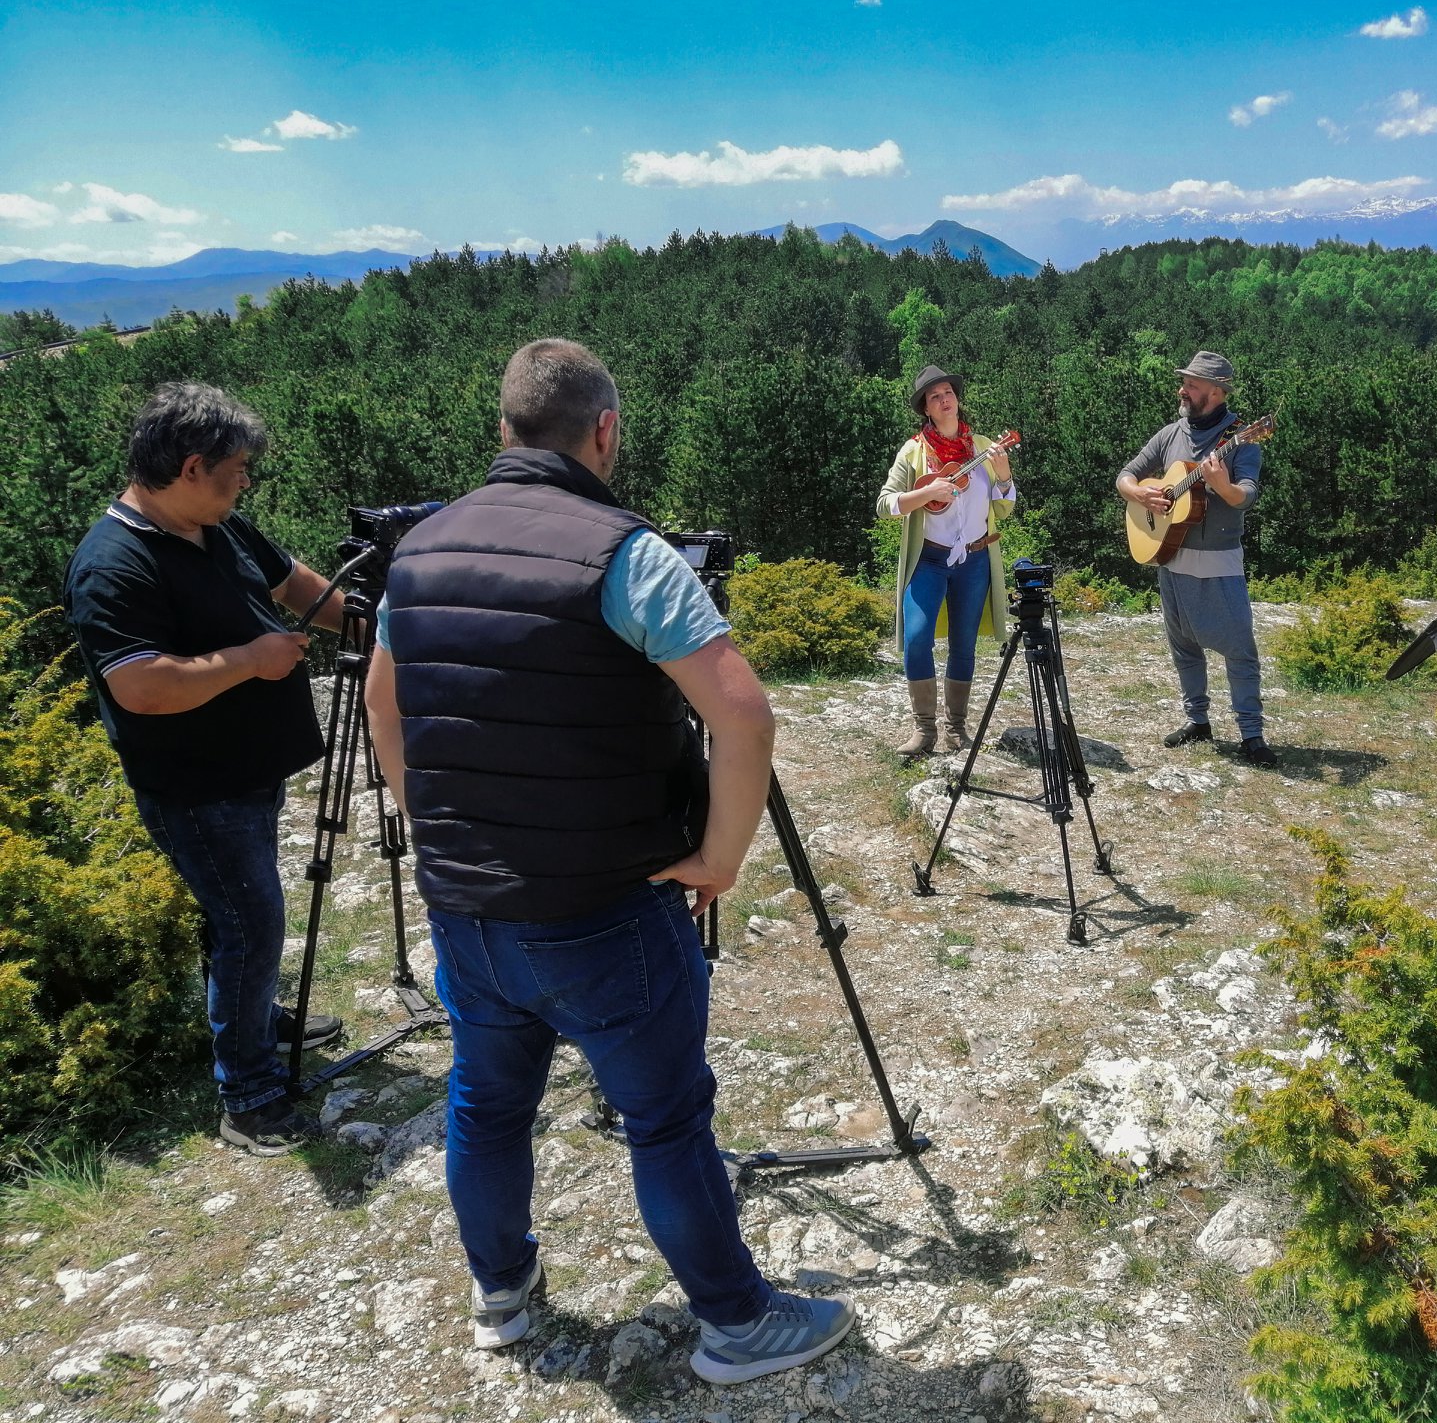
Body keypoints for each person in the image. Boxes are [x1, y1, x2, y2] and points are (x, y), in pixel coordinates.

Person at [362, 338, 850, 1382]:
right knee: (667, 1119)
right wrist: (720, 857)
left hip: (469, 911)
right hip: (605, 913)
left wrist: (431, 821)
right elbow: (744, 716)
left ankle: (502, 1296)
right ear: (605, 432)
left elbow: (380, 704)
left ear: (504, 430)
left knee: (486, 1104)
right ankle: (737, 1324)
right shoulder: (625, 554)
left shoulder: (421, 548)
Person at [63, 382, 346, 1157]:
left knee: (244, 914)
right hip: (197, 787)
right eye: (238, 469)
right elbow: (141, 687)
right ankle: (248, 1094)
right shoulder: (112, 563)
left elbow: (295, 584)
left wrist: (376, 621)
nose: (246, 481)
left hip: (249, 771)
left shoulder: (216, 524)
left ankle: (257, 1021)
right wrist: (251, 660)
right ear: (192, 466)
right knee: (250, 924)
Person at [1116, 350, 1276, 768]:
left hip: (1219, 560)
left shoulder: (1242, 437)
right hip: (1170, 556)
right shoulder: (1170, 434)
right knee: (1183, 646)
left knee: (1240, 649)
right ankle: (1197, 720)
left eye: (1191, 384)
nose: (1182, 389)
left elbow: (1246, 496)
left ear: (1217, 391)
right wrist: (1139, 493)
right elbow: (1125, 475)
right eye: (1184, 381)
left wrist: (1222, 486)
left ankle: (1252, 734)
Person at [875, 363, 1016, 757]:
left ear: (956, 399)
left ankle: (956, 730)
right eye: (934, 397)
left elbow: (1004, 508)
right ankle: (924, 730)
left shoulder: (984, 447)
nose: (944, 400)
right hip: (930, 560)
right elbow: (885, 504)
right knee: (917, 640)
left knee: (964, 645)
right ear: (926, 409)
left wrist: (1004, 476)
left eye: (948, 393)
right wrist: (926, 492)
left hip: (973, 559)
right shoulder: (914, 452)